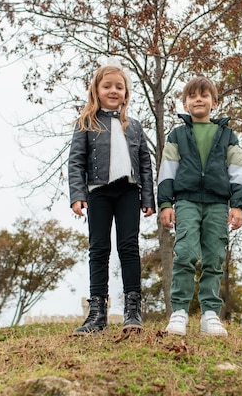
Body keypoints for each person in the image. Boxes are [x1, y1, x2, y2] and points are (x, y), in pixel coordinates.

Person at [157, 75, 242, 336]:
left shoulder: (227, 135)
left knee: (214, 257)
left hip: (218, 203)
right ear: (185, 104)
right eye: (193, 96)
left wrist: (238, 205)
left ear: (214, 103)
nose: (199, 99)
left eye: (204, 95)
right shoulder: (177, 135)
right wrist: (166, 203)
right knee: (184, 254)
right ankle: (179, 312)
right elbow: (167, 171)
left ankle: (210, 314)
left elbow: (239, 171)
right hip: (185, 201)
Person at [68, 63, 155, 336]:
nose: (113, 90)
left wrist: (148, 197)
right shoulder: (86, 124)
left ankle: (132, 309)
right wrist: (77, 195)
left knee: (129, 247)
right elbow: (76, 162)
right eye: (107, 86)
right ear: (96, 90)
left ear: (126, 93)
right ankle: (97, 312)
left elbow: (145, 163)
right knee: (99, 249)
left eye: (119, 87)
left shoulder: (135, 127)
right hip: (98, 192)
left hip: (129, 191)